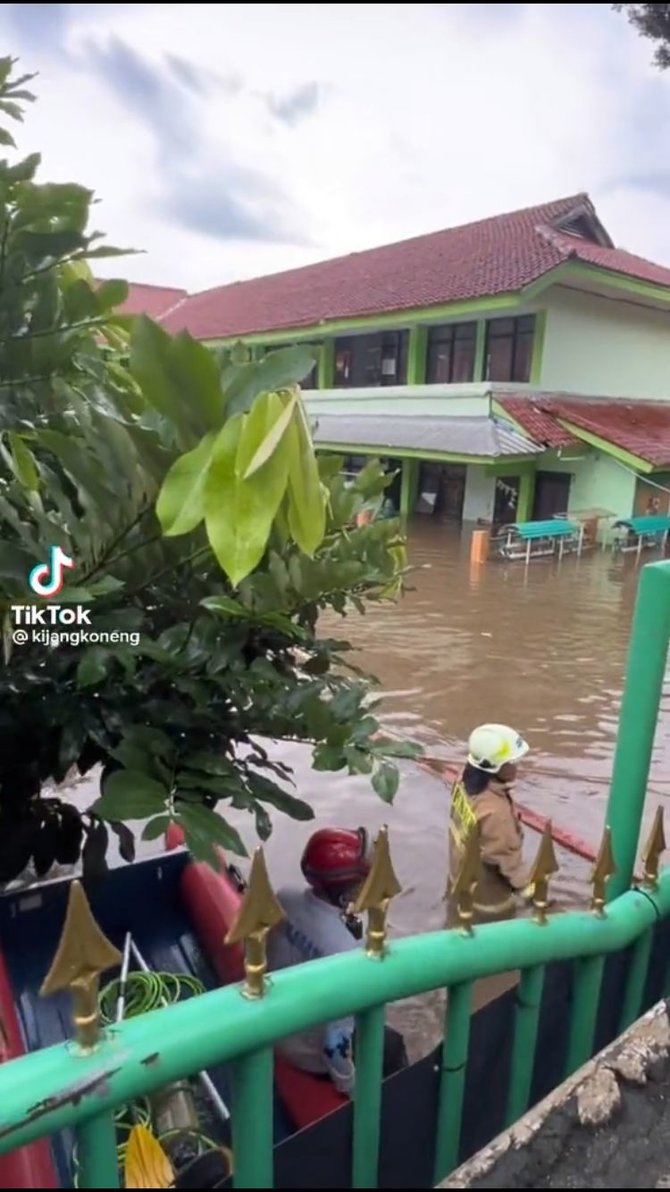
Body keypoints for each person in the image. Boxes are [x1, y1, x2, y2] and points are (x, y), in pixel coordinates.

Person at [267, 827, 408, 1096]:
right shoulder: (343, 951)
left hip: (277, 1023)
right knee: (391, 1044)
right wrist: (351, 1087)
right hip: (306, 1054)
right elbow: (334, 1044)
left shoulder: (286, 896)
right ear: (345, 892)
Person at [447, 724, 531, 927]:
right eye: (512, 762)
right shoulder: (496, 813)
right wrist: (536, 894)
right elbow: (508, 863)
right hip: (487, 901)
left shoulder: (462, 781)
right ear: (496, 767)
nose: (517, 767)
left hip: (459, 880)